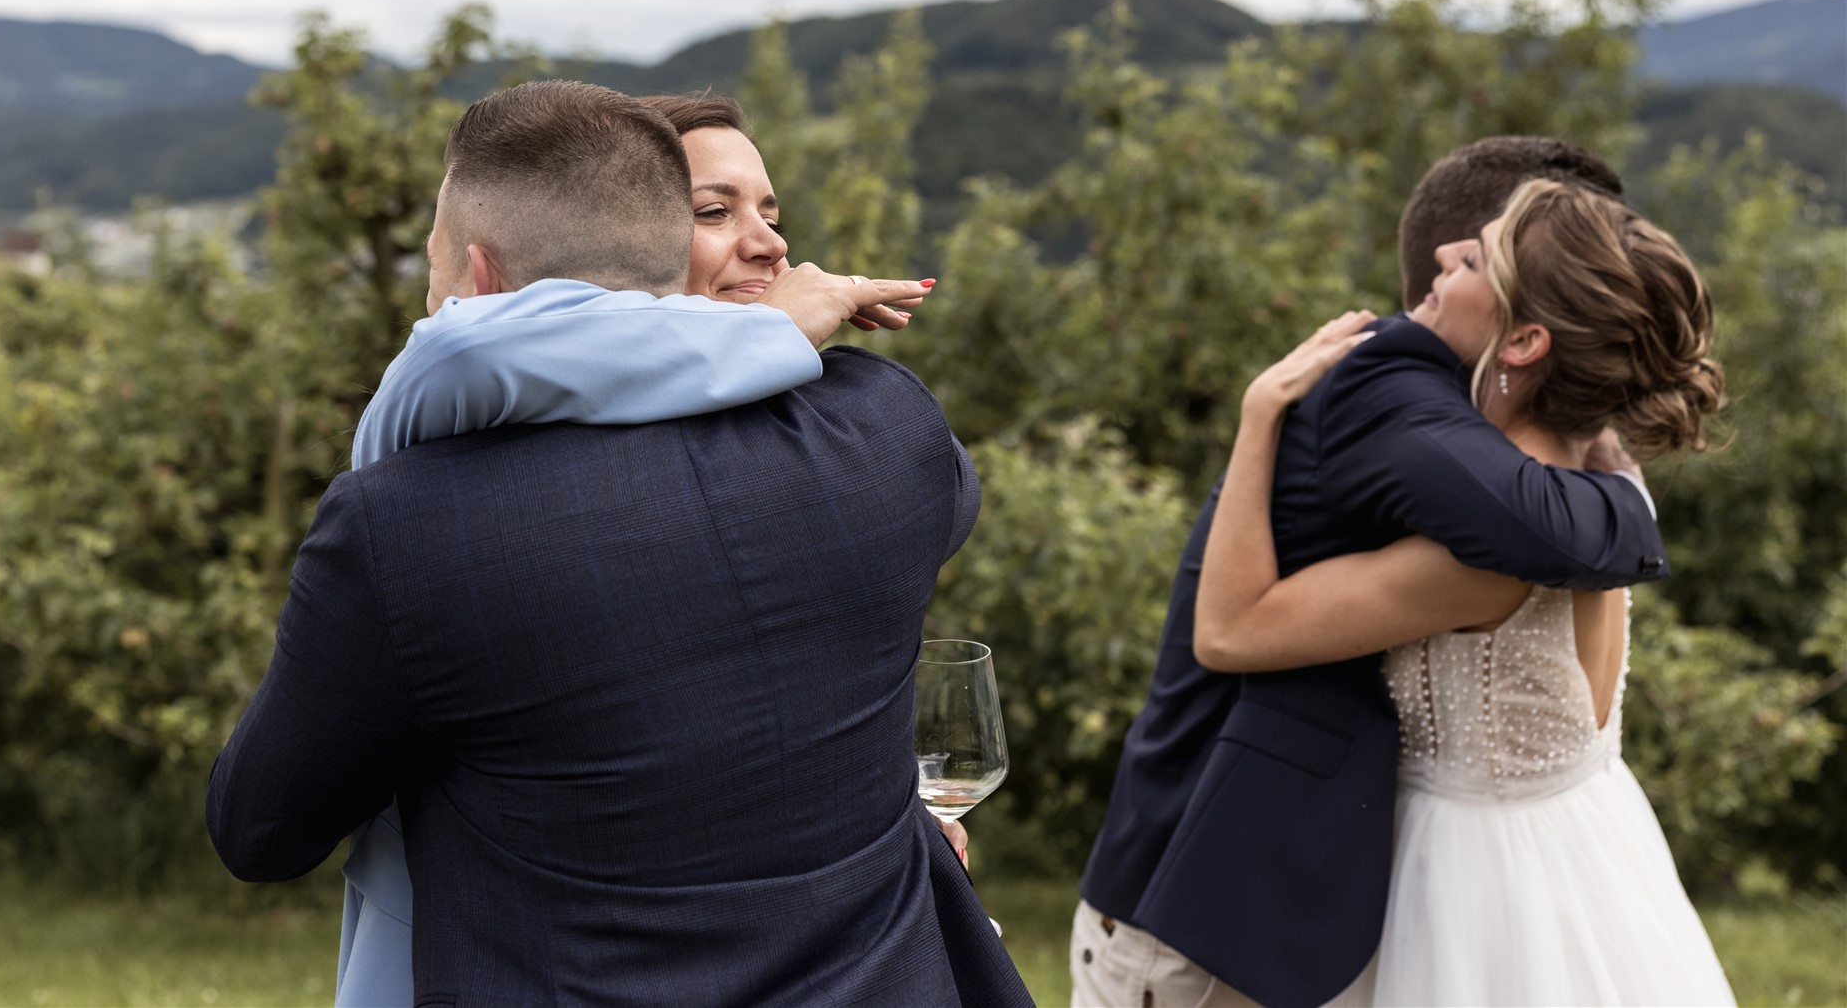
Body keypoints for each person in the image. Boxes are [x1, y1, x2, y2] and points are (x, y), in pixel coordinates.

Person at [207, 81, 1030, 1007]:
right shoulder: (883, 433)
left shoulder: (408, 522)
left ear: (479, 282)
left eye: (431, 271)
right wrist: (760, 336)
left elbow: (261, 830)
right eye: (712, 211)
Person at [1073, 138, 1671, 1008]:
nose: (1442, 262)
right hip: (1210, 902)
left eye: (1474, 257)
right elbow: (1233, 628)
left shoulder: (1523, 478)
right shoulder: (1399, 393)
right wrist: (1631, 501)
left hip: (1394, 886)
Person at [1194, 177, 1731, 1005]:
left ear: (1523, 342)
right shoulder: (1609, 471)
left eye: (1479, 257)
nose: (1447, 256)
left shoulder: (1480, 560)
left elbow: (1230, 630)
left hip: (1476, 874)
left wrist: (1259, 415)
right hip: (1592, 837)